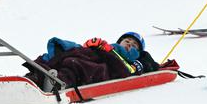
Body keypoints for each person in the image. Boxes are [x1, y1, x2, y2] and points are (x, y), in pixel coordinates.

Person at [23, 32, 160, 91]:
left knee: (75, 63)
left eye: (134, 45)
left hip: (104, 69)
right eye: (127, 41)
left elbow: (125, 71)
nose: (129, 44)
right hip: (93, 56)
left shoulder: (134, 62)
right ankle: (32, 78)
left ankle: (57, 83)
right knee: (64, 54)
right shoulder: (109, 47)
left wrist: (107, 51)